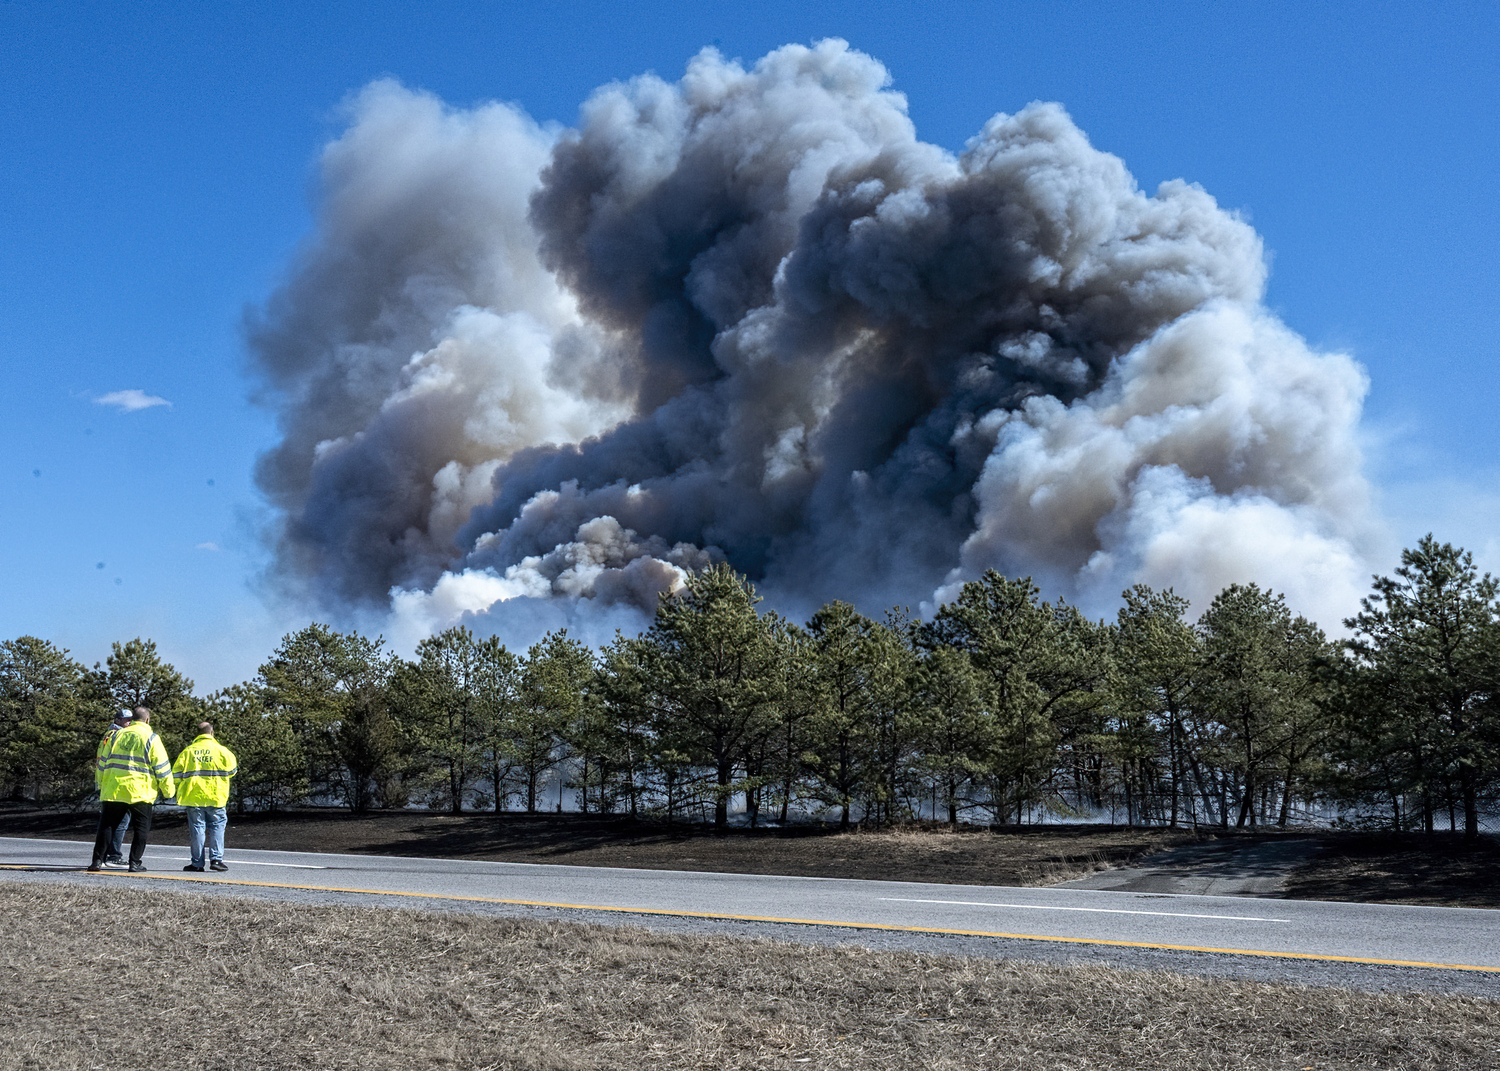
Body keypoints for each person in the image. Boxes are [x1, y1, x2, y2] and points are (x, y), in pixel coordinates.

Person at [89, 706, 174, 873]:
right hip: (140, 791)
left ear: (133, 719)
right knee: (141, 829)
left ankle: (97, 861)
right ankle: (134, 863)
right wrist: (169, 791)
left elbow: (103, 762)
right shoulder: (151, 737)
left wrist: (100, 783)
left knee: (107, 827)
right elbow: (162, 767)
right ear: (147, 720)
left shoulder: (116, 735)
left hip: (115, 789)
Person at [171, 721, 238, 873]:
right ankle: (216, 860)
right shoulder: (222, 751)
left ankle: (197, 863)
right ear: (212, 733)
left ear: (198, 734)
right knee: (217, 827)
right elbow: (233, 770)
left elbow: (175, 775)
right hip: (216, 796)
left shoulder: (188, 751)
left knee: (197, 830)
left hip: (194, 796)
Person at [99, 710, 133, 867]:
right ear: (117, 720)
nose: (129, 723)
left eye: (130, 720)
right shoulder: (115, 735)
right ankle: (114, 855)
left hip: (109, 782)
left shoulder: (109, 734)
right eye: (126, 720)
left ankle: (104, 855)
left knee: (110, 821)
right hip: (116, 783)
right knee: (121, 821)